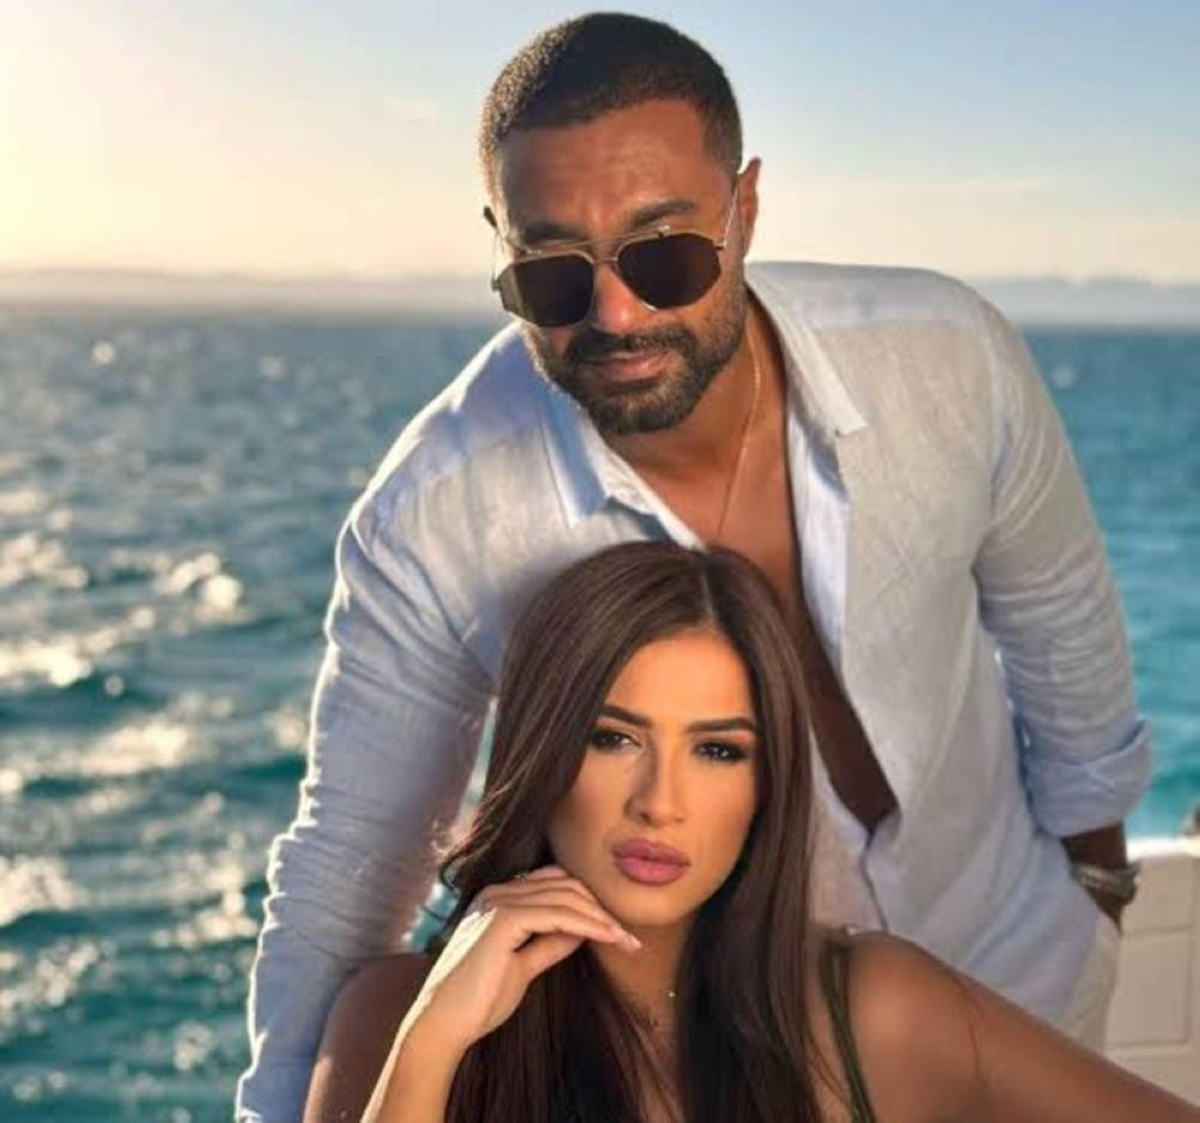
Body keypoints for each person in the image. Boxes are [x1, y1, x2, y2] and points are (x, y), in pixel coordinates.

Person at [238, 13, 1152, 1120]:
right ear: (502, 244)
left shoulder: (947, 355)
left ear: (744, 211)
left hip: (1028, 970)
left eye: (663, 254)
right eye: (554, 273)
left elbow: (1060, 627)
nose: (616, 314)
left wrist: (1098, 887)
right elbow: (347, 868)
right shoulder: (435, 520)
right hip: (754, 1062)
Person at [302, 542, 1194, 1123]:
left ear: (768, 784)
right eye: (614, 738)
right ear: (543, 748)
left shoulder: (871, 1008)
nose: (662, 802)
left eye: (718, 750)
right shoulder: (400, 1014)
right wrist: (431, 1046)